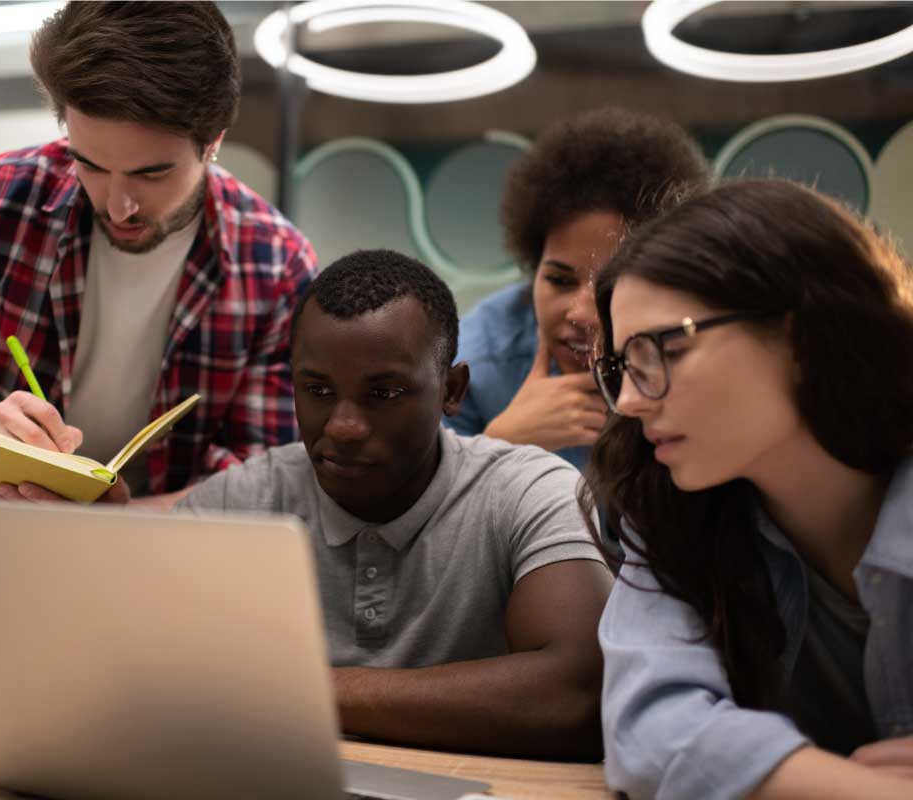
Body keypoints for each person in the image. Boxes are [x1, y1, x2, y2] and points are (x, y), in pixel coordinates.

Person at [0, 2, 317, 690]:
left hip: (161, 613)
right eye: (90, 163)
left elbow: (261, 481)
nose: (118, 203)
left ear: (213, 138)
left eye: (152, 175)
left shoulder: (275, 264)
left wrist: (115, 522)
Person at [177, 249, 613, 758]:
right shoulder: (232, 507)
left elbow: (579, 693)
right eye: (317, 389)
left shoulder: (528, 491)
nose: (343, 426)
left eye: (383, 393)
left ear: (452, 390)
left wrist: (294, 689)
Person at [584, 179, 913, 799]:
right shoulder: (667, 511)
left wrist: (760, 772)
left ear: (800, 335)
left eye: (664, 349)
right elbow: (648, 731)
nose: (627, 400)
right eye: (623, 365)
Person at [446, 108, 708, 469]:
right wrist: (499, 445)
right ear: (532, 268)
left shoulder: (701, 352)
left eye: (611, 285)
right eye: (559, 280)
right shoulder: (468, 366)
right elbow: (417, 516)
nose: (581, 312)